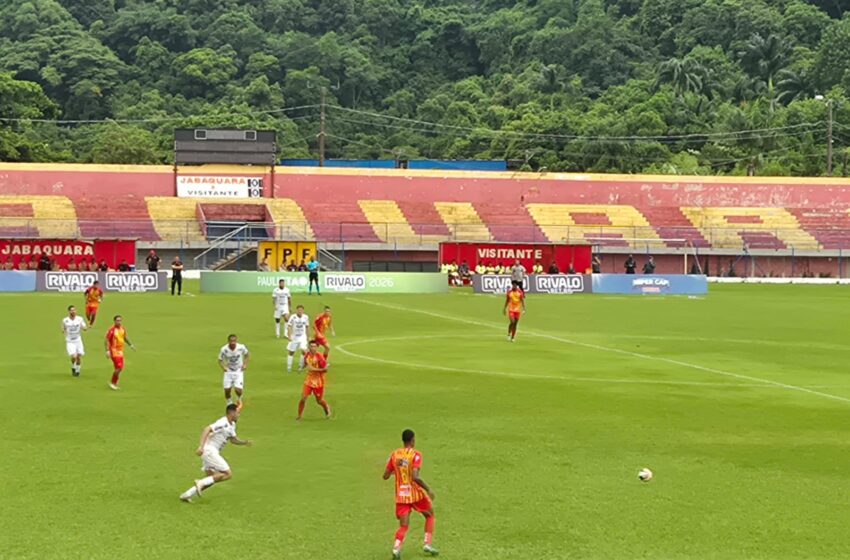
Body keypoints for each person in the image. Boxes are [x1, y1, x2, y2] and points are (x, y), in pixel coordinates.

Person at [179, 404, 252, 503]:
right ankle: (200, 482)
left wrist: (244, 442)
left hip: (211, 452)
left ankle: (187, 494)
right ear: (232, 413)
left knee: (212, 478)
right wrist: (201, 446)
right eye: (237, 413)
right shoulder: (223, 422)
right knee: (227, 474)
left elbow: (233, 440)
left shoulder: (232, 425)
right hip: (210, 451)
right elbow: (207, 429)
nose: (239, 415)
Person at [383, 429, 438, 559]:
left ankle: (396, 548)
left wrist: (396, 471)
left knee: (404, 525)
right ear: (413, 440)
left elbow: (385, 476)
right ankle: (427, 544)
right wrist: (428, 489)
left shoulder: (394, 455)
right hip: (415, 494)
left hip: (401, 495)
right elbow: (415, 476)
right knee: (430, 515)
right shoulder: (416, 455)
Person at [296, 340, 332, 421]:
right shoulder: (307, 355)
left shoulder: (320, 357)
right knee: (303, 398)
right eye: (311, 346)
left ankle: (327, 409)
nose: (313, 348)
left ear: (317, 347)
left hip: (318, 382)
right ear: (309, 347)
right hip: (309, 380)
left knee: (319, 401)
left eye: (314, 346)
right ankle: (299, 416)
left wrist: (313, 369)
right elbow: (306, 363)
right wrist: (301, 368)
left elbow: (325, 370)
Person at [218, 334, 250, 408]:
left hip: (238, 370)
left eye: (234, 341)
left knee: (238, 390)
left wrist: (245, 364)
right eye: (231, 341)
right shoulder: (224, 349)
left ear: (236, 341)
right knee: (227, 390)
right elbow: (220, 360)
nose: (233, 343)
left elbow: (247, 355)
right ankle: (229, 403)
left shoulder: (241, 347)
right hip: (229, 371)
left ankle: (239, 399)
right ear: (228, 341)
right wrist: (223, 367)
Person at [105, 315, 135, 390]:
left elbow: (124, 337)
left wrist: (130, 345)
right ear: (114, 321)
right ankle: (113, 383)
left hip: (120, 351)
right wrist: (107, 351)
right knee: (119, 367)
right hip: (114, 350)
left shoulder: (122, 329)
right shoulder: (112, 330)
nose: (119, 322)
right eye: (117, 320)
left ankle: (115, 380)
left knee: (120, 368)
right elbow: (106, 340)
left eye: (120, 320)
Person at [62, 305, 88, 377]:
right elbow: (64, 327)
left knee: (79, 356)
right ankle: (73, 366)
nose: (73, 311)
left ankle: (77, 370)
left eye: (74, 310)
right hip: (70, 341)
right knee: (74, 356)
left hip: (78, 340)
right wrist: (64, 331)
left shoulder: (79, 319)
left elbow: (84, 326)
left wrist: (85, 328)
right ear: (69, 311)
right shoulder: (65, 320)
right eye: (71, 310)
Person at [286, 305, 310, 373]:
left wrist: (308, 337)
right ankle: (289, 366)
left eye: (301, 310)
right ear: (296, 310)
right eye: (299, 310)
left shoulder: (305, 317)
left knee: (303, 351)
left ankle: (300, 366)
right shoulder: (293, 317)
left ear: (303, 311)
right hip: (294, 337)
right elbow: (289, 326)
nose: (300, 311)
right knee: (291, 352)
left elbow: (307, 327)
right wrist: (289, 335)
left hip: (303, 337)